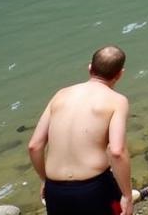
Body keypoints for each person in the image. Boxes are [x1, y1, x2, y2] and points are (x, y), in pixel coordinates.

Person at [27, 44, 133, 215]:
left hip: (56, 190)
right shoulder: (117, 101)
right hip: (95, 189)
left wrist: (45, 180)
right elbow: (117, 151)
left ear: (90, 68)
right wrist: (127, 196)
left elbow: (34, 146)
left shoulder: (60, 95)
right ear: (120, 74)